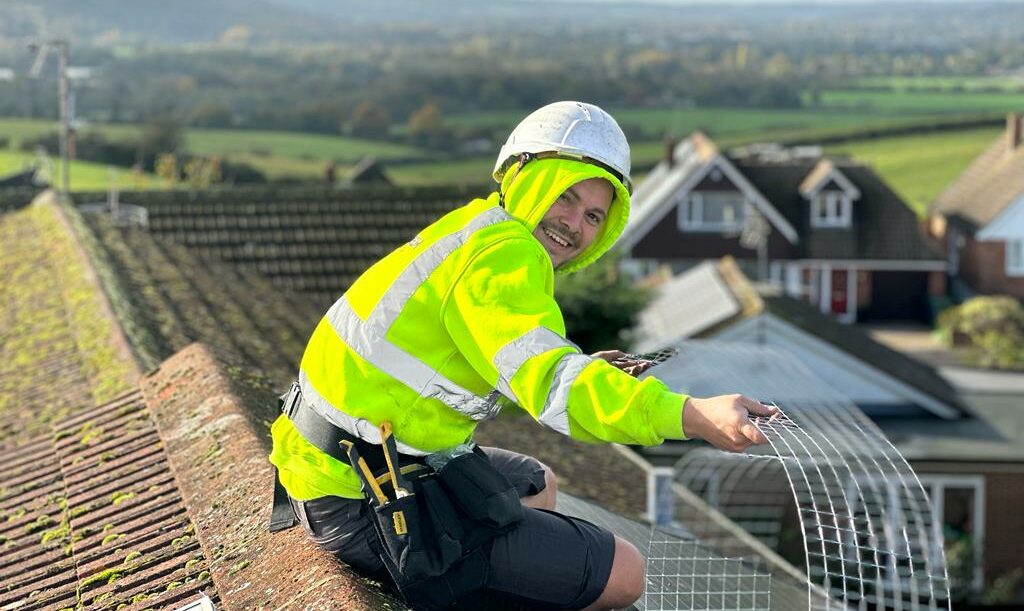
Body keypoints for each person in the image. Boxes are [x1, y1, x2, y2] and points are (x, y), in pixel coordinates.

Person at [268, 101, 777, 610]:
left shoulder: (479, 227)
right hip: (361, 500)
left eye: (594, 215)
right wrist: (692, 414)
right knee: (624, 573)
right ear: (528, 179)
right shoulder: (505, 256)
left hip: (340, 467)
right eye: (565, 195)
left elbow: (472, 372)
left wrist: (580, 370)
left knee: (536, 482)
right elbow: (555, 385)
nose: (574, 223)